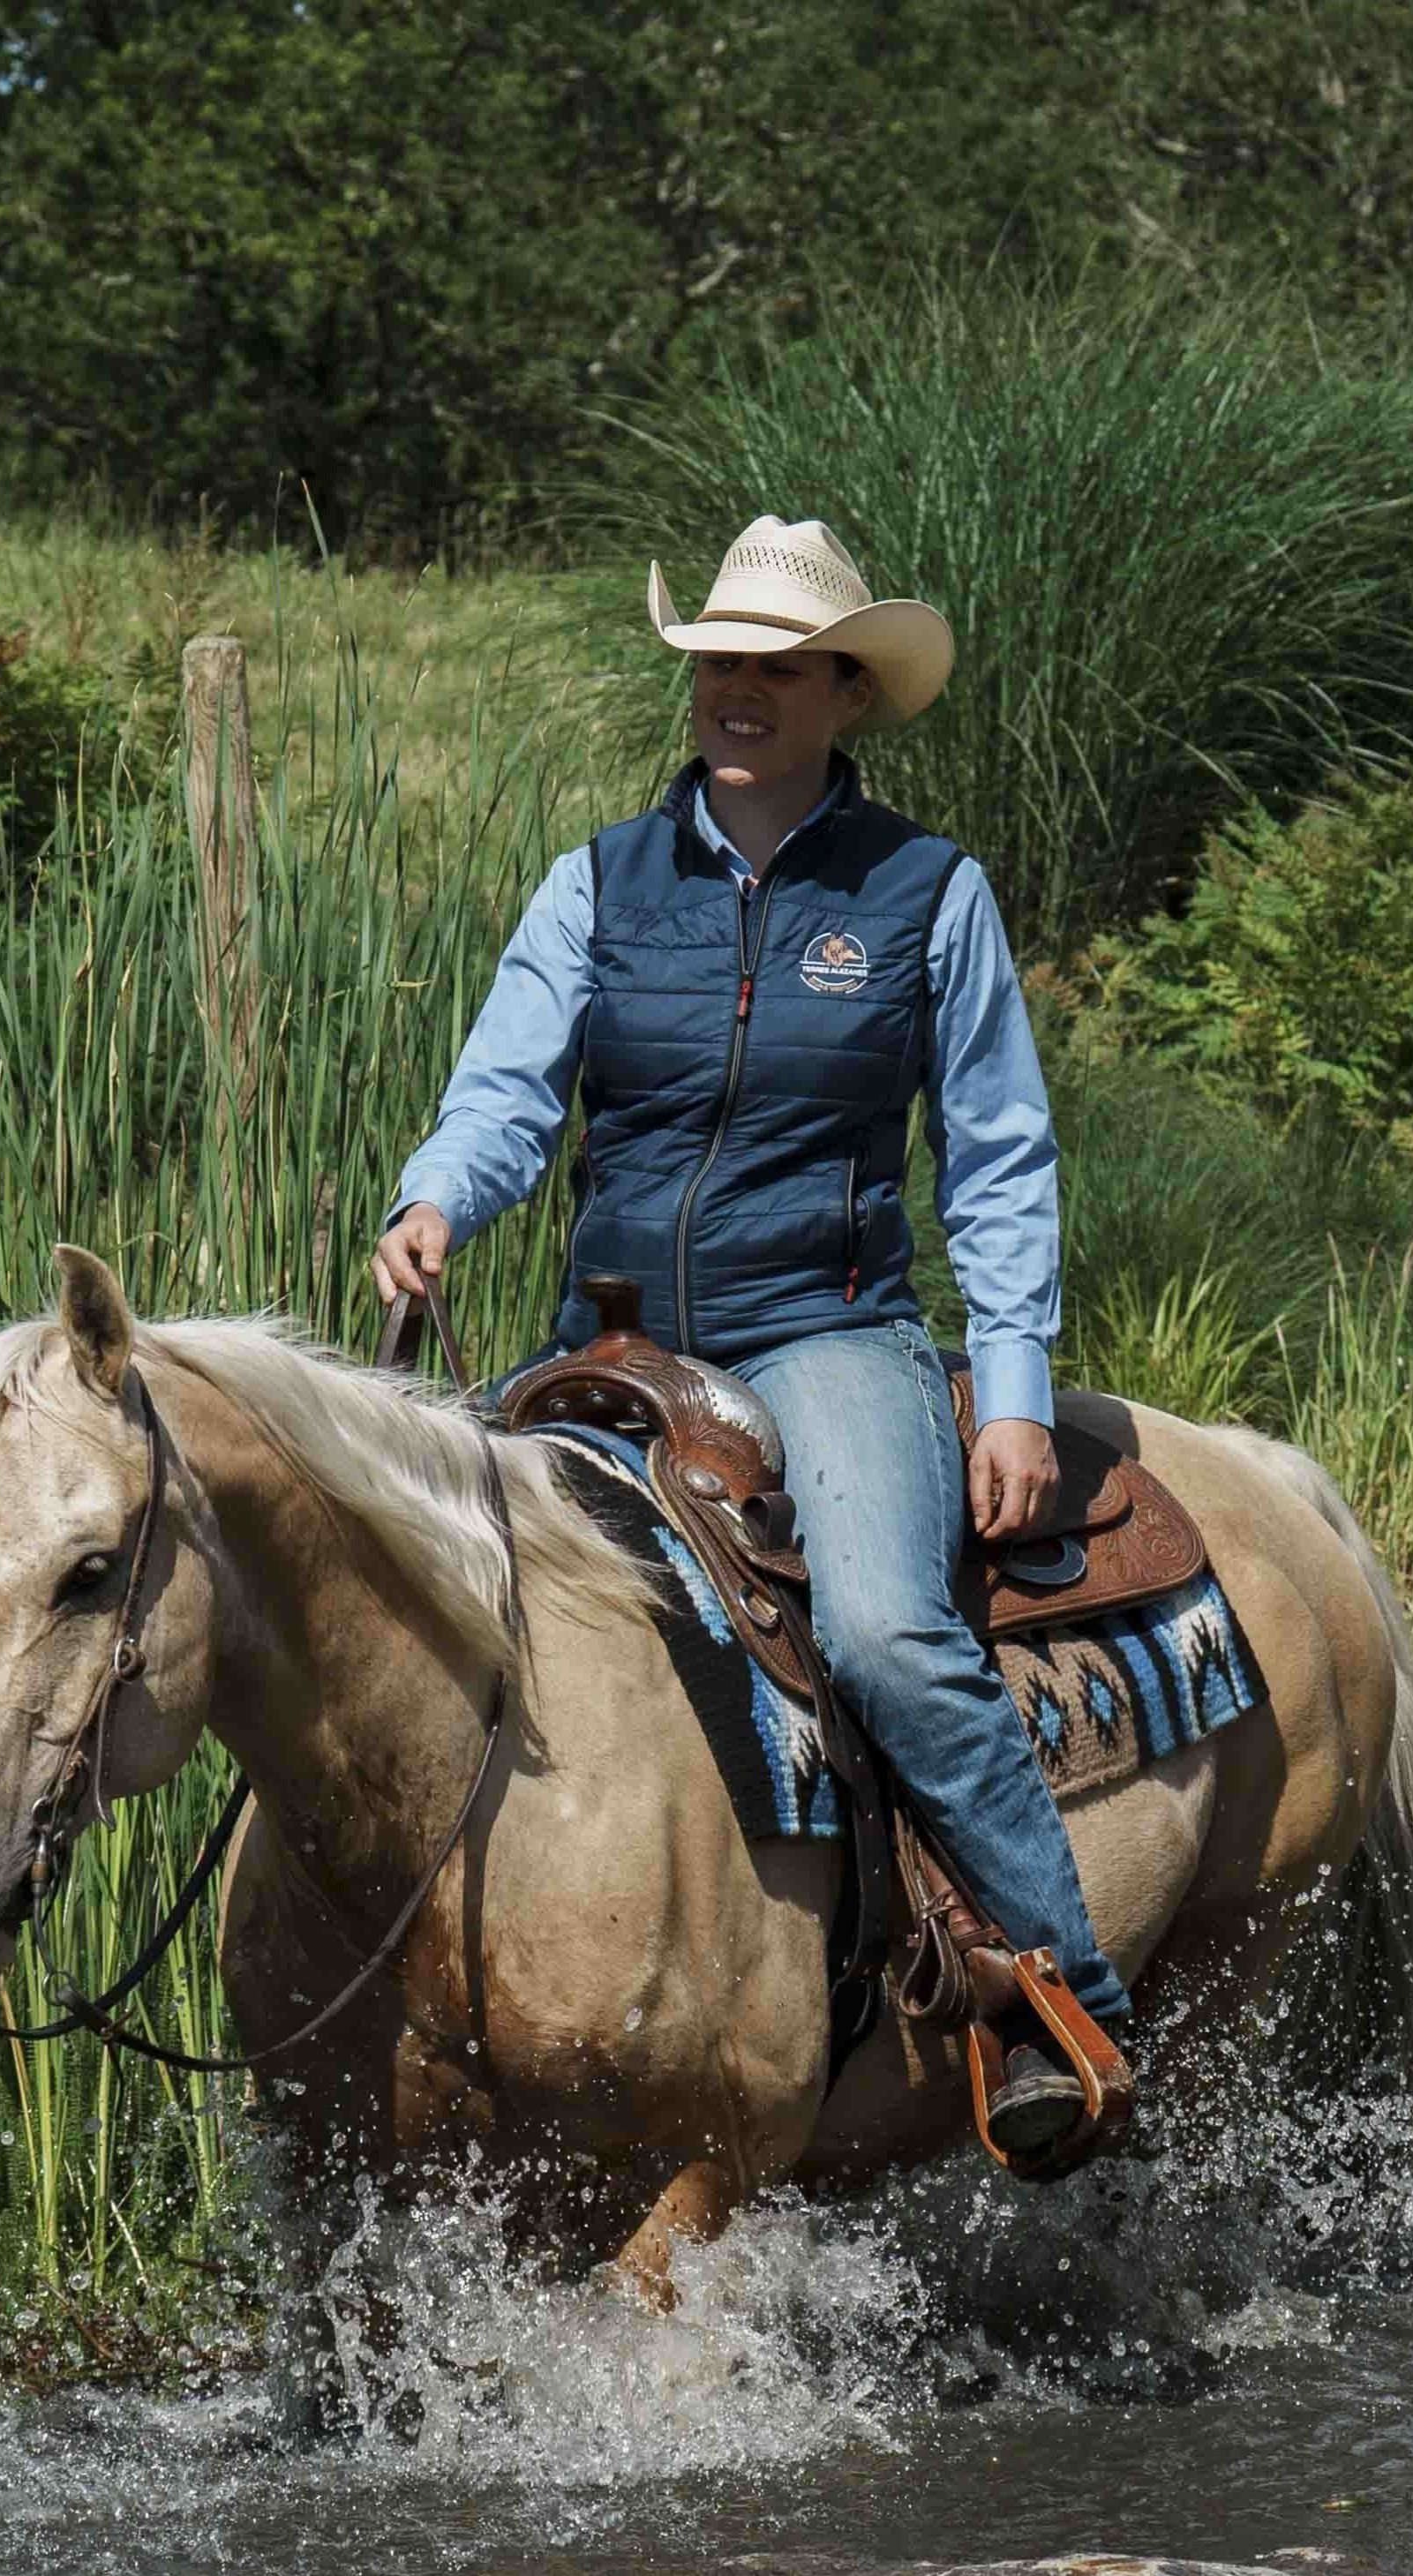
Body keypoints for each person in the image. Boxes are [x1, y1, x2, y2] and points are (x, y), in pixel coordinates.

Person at [372, 514, 1128, 2159]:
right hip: (609, 1345)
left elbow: (999, 1155)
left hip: (824, 1331)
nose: (738, 689)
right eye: (718, 659)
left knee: (884, 1633)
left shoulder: (926, 893)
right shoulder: (597, 882)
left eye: (778, 668)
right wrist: (439, 1197)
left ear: (847, 694)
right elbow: (508, 1092)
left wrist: (1010, 1390)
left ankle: (1056, 1999)